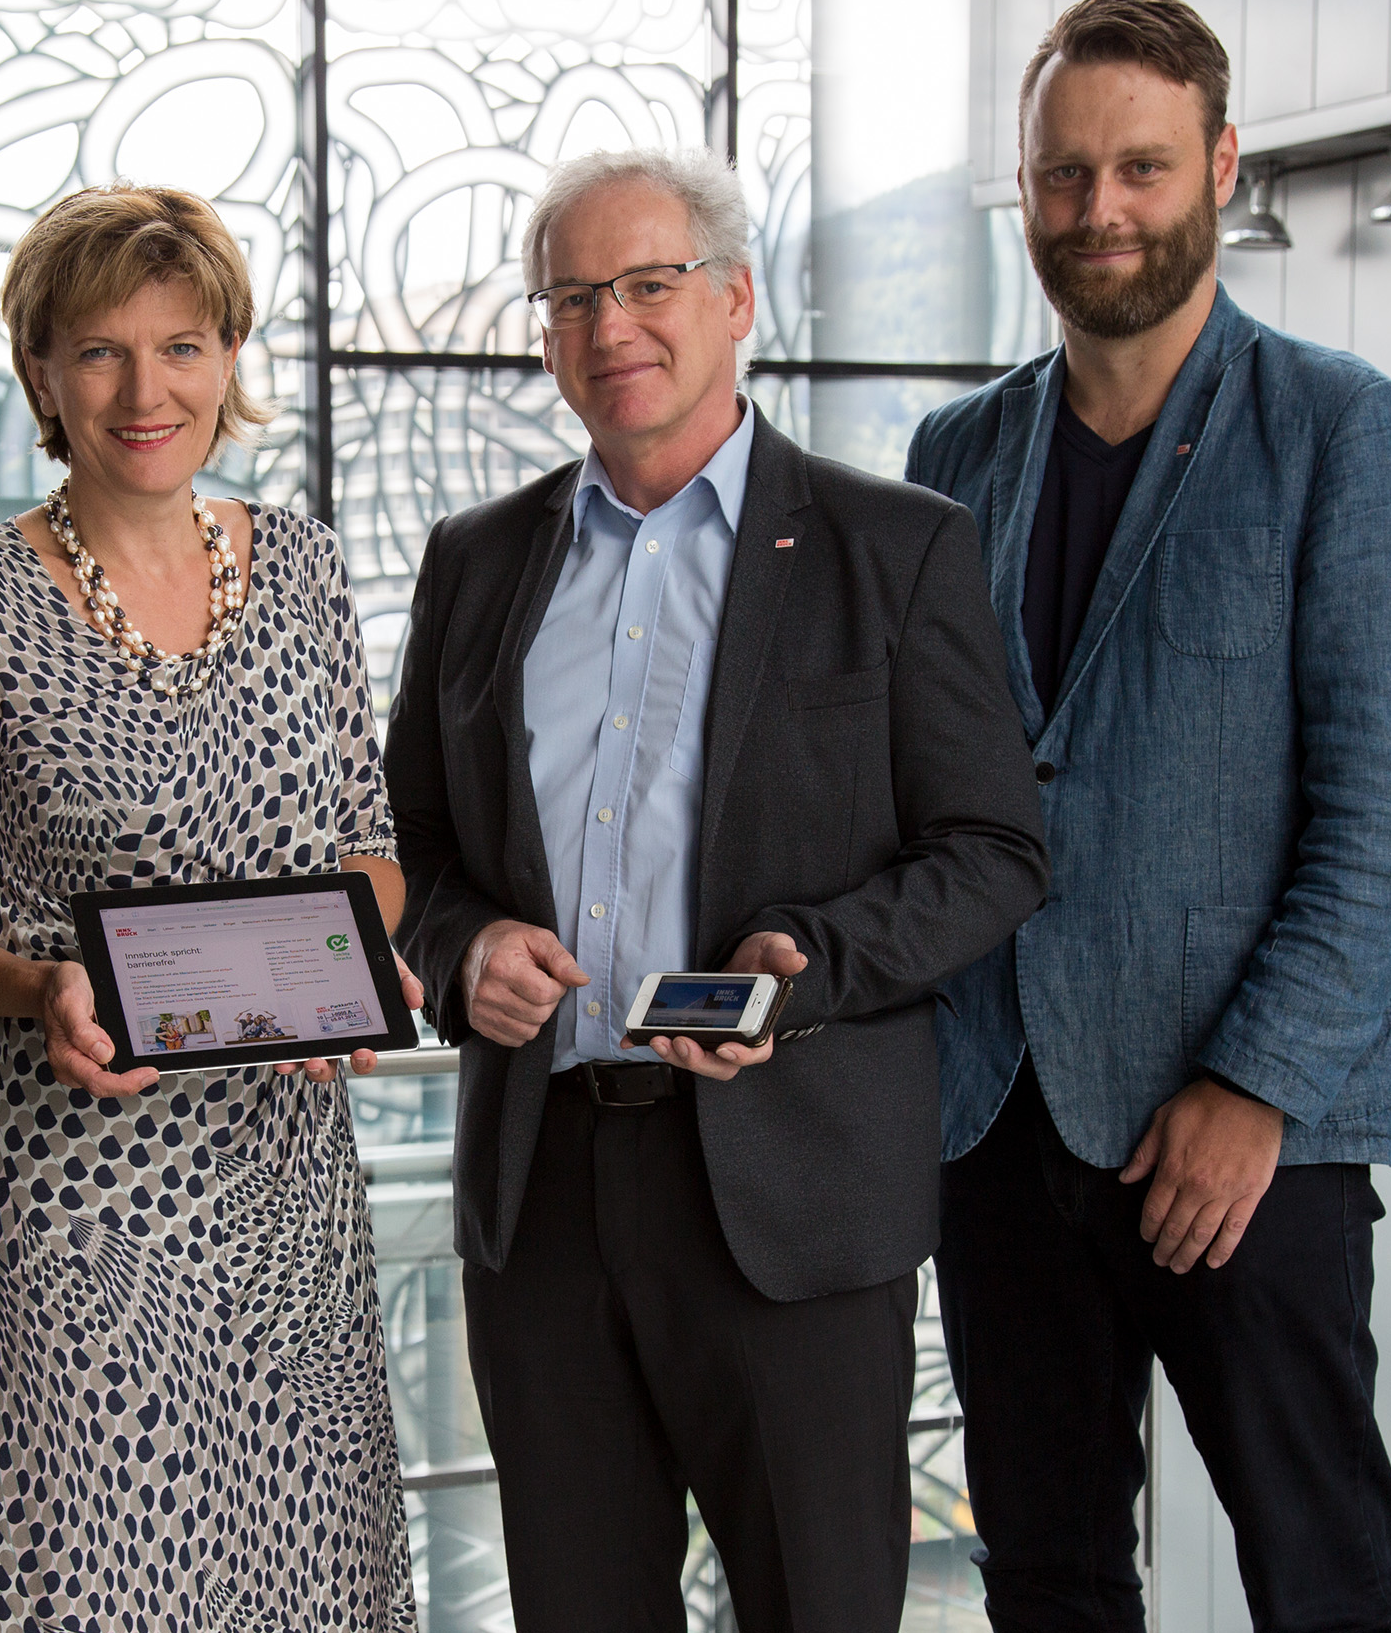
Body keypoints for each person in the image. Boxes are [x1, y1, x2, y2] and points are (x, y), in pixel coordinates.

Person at [383, 146, 1051, 1633]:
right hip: (542, 1190)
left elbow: (996, 851)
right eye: (572, 296)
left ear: (736, 298)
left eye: (648, 283)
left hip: (793, 1189)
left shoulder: (897, 548)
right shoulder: (478, 562)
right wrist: (463, 940)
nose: (611, 324)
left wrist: (808, 957)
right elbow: (414, 838)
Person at [907, 0, 1391, 1633]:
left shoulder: (1348, 435)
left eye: (1140, 170)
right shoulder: (955, 452)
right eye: (1064, 177)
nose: (1100, 213)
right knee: (1052, 1581)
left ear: (1220, 166)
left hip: (1252, 1143)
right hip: (1000, 1121)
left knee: (1323, 1580)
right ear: (1024, 190)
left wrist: (1255, 1082)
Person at [0, 184, 421, 1630]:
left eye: (182, 345)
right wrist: (31, 986)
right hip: (75, 1186)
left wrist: (344, 971)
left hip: (286, 1160)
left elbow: (366, 839)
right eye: (99, 350)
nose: (144, 387)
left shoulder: (302, 565)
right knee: (97, 1574)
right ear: (41, 371)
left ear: (229, 355)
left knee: (305, 1569)